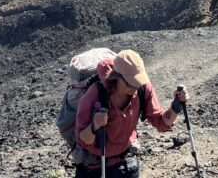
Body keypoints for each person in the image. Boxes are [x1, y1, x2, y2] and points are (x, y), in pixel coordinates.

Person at [73, 49, 189, 178]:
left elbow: (161, 122)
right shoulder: (96, 94)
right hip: (95, 167)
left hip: (126, 162)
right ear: (118, 77)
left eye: (138, 80)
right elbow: (82, 140)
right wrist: (94, 126)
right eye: (131, 82)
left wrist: (176, 106)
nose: (135, 86)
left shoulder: (143, 89)